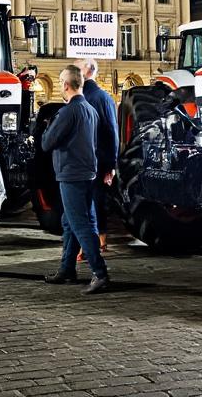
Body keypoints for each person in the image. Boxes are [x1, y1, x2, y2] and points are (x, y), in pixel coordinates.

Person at [41, 65, 109, 294]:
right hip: (88, 173)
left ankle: (100, 273)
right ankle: (67, 269)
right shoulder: (90, 110)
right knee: (70, 223)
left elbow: (47, 143)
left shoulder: (68, 112)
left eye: (61, 82)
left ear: (66, 85)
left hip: (71, 174)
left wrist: (46, 128)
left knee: (80, 224)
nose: (60, 86)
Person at [76, 58, 118, 256]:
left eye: (77, 68)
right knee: (95, 201)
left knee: (89, 202)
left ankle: (93, 243)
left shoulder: (85, 98)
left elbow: (110, 132)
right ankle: (98, 241)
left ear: (87, 71)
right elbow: (112, 132)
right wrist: (111, 164)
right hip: (98, 159)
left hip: (86, 160)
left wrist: (110, 164)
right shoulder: (103, 97)